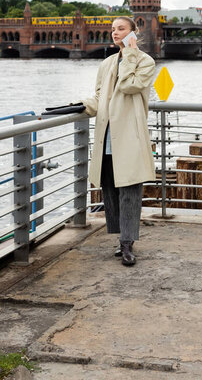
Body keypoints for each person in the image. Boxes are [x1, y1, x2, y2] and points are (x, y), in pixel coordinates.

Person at [81, 17, 156, 266]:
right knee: (111, 189)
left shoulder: (145, 62)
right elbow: (100, 97)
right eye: (112, 29)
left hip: (130, 136)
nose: (115, 32)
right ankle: (120, 239)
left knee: (130, 191)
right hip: (107, 136)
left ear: (133, 32)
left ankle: (127, 244)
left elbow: (130, 86)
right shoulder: (106, 64)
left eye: (121, 29)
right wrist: (77, 107)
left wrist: (131, 54)